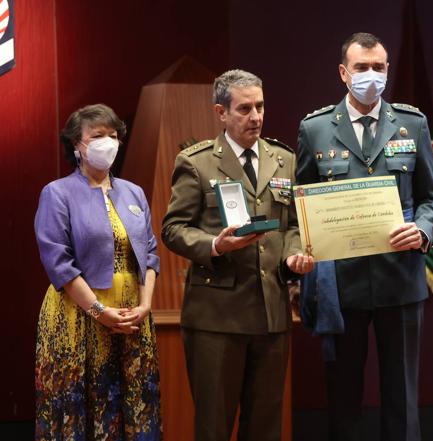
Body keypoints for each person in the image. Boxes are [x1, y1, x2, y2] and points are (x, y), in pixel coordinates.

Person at [296, 33, 433, 441]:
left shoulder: (412, 123)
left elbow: (432, 198)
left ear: (387, 70)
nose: (371, 76)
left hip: (400, 277)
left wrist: (423, 230)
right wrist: (303, 249)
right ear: (344, 73)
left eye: (378, 67)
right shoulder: (316, 128)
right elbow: (300, 204)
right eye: (361, 68)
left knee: (402, 398)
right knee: (343, 398)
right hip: (342, 283)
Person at [161, 69, 314, 441]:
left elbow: (294, 224)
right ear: (221, 113)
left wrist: (295, 255)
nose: (256, 116)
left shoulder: (284, 160)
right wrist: (216, 245)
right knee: (214, 427)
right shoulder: (196, 163)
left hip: (271, 315)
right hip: (217, 318)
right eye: (244, 108)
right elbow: (173, 229)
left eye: (260, 106)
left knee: (265, 427)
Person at [34, 104, 162, 440]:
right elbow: (58, 264)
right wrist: (98, 310)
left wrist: (146, 305)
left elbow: (149, 253)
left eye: (113, 135)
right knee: (82, 407)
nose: (108, 142)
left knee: (134, 403)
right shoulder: (57, 193)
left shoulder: (133, 192)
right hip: (79, 317)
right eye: (97, 136)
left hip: (132, 317)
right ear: (77, 145)